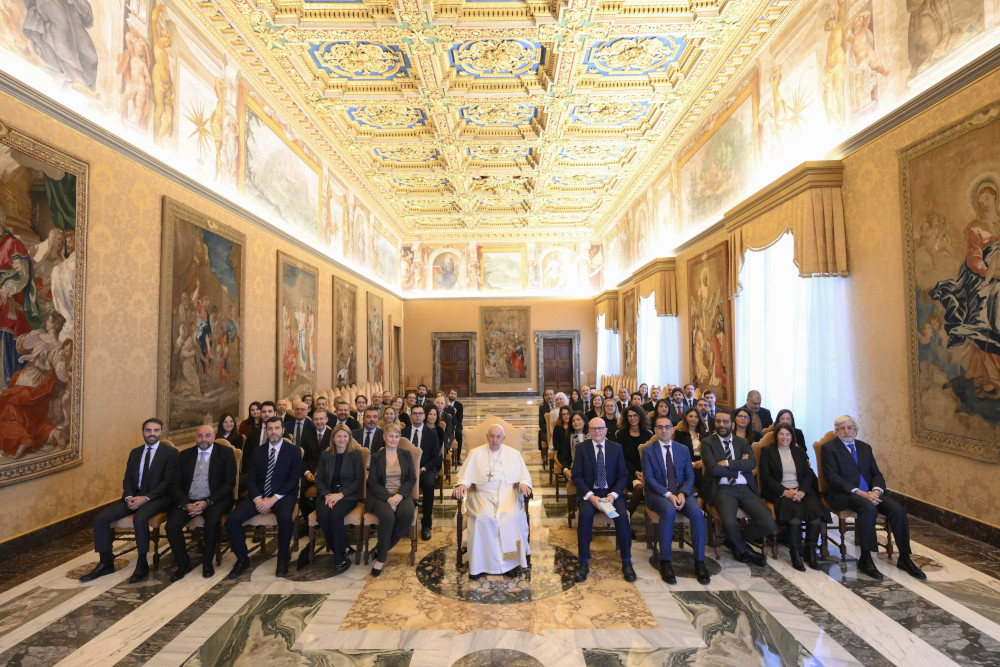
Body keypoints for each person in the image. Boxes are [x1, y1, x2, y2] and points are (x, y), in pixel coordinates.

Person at [821, 415, 926, 580]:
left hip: (871, 493)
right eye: (842, 428)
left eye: (850, 427)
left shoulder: (865, 447)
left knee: (898, 510)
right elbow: (832, 477)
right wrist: (861, 493)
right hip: (845, 494)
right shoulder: (829, 448)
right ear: (837, 431)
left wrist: (876, 491)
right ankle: (866, 558)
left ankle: (905, 558)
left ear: (856, 429)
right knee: (868, 508)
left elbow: (876, 473)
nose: (847, 431)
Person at [80, 419, 179, 583]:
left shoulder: (170, 453)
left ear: (161, 432)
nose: (152, 434)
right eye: (148, 430)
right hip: (134, 496)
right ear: (143, 432)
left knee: (140, 519)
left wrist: (146, 498)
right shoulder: (135, 452)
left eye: (156, 430)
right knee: (100, 519)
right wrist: (129, 497)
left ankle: (142, 564)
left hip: (158, 498)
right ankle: (105, 563)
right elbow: (128, 479)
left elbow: (168, 482)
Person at [226, 416, 303, 579]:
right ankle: (242, 559)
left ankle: (282, 559)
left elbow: (293, 480)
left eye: (276, 428)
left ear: (283, 430)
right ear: (266, 430)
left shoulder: (294, 451)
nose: (273, 432)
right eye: (270, 428)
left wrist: (273, 499)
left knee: (284, 519)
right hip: (258, 496)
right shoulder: (258, 451)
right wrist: (258, 499)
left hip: (282, 496)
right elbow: (251, 479)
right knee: (232, 520)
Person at [454, 425, 533, 578]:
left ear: (503, 438)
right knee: (483, 518)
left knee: (510, 516)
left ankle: (510, 563)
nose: (494, 440)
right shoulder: (475, 454)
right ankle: (480, 565)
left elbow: (524, 476)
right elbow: (466, 476)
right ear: (487, 436)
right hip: (481, 494)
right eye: (492, 436)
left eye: (498, 437)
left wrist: (523, 483)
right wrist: (463, 484)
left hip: (507, 493)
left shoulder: (514, 454)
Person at [643, 417, 711, 585]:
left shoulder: (682, 449)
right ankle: (665, 562)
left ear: (673, 429)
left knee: (697, 514)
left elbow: (689, 476)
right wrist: (669, 495)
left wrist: (683, 493)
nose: (664, 430)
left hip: (682, 493)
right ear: (655, 429)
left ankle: (699, 562)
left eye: (667, 427)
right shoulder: (648, 451)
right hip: (658, 494)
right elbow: (650, 480)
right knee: (668, 510)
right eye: (660, 427)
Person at [701, 411, 775, 566]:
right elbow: (713, 470)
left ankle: (732, 540)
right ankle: (746, 551)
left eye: (725, 422)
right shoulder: (708, 442)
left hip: (745, 487)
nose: (722, 425)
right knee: (729, 523)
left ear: (732, 424)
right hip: (722, 489)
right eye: (719, 422)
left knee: (768, 523)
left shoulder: (742, 443)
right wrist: (739, 465)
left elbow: (751, 464)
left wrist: (727, 463)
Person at [165, 424, 236, 581]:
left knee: (212, 523)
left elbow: (229, 483)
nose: (204, 439)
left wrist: (207, 502)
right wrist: (186, 503)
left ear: (214, 436)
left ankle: (207, 563)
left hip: (215, 499)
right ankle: (183, 563)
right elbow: (175, 484)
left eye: (207, 436)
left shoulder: (225, 453)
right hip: (189, 500)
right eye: (200, 436)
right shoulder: (184, 455)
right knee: (171, 526)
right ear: (195, 438)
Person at [571, 417, 635, 583]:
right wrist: (590, 496)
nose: (597, 432)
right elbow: (576, 476)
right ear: (589, 431)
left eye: (600, 428)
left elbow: (622, 475)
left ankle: (627, 561)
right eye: (593, 429)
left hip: (610, 495)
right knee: (584, 517)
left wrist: (613, 495)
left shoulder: (616, 448)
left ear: (606, 430)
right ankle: (583, 561)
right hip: (589, 495)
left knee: (620, 517)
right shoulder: (582, 448)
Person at [759, 423, 828, 571]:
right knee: (794, 512)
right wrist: (786, 492)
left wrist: (802, 491)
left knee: (815, 511)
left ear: (792, 436)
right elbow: (766, 478)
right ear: (776, 435)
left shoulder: (799, 451)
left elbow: (807, 475)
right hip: (780, 491)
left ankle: (810, 551)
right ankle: (795, 553)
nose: (785, 437)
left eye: (788, 434)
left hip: (800, 490)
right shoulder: (767, 451)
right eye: (781, 434)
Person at [366, 424, 417, 576]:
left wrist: (399, 496)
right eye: (390, 436)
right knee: (387, 516)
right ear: (384, 437)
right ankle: (381, 559)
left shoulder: (406, 454)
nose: (394, 439)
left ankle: (383, 547)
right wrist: (389, 498)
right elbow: (373, 483)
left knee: (407, 513)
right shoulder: (376, 457)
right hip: (380, 496)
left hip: (401, 494)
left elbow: (411, 479)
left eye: (396, 436)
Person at [315, 424, 364, 576]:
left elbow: (358, 480)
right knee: (322, 516)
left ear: (349, 438)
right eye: (339, 436)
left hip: (347, 496)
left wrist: (340, 495)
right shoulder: (326, 455)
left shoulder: (355, 454)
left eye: (345, 436)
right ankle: (344, 547)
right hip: (328, 494)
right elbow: (319, 479)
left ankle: (339, 558)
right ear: (333, 438)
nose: (342, 439)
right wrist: (327, 495)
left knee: (336, 516)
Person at [401, 404, 440, 541]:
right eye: (415, 413)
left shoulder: (431, 433)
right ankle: (403, 519)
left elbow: (436, 457)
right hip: (406, 470)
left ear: (424, 416)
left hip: (425, 469)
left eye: (420, 413)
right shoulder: (404, 433)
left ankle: (426, 524)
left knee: (429, 484)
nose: (417, 416)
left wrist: (422, 469)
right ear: (411, 416)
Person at [616, 405, 651, 515]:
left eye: (635, 415)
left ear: (640, 417)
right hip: (627, 471)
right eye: (629, 416)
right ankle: (627, 515)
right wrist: (635, 472)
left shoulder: (648, 434)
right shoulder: (621, 434)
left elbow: (650, 458)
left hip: (646, 471)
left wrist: (644, 473)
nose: (632, 418)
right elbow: (621, 458)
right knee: (639, 488)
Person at [287, 401, 319, 516]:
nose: (299, 411)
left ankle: (310, 516)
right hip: (290, 464)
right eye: (297, 409)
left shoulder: (313, 428)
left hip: (307, 466)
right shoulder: (287, 425)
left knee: (299, 487)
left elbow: (315, 455)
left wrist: (308, 471)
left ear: (307, 411)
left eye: (302, 409)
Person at [673, 407, 707, 493]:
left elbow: (710, 451)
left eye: (696, 417)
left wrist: (703, 461)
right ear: (686, 417)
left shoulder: (705, 434)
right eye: (691, 416)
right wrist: (692, 464)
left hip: (703, 462)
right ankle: (702, 500)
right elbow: (677, 454)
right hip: (688, 463)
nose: (693, 419)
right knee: (700, 476)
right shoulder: (679, 434)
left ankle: (701, 499)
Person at [448, 388, 465, 464]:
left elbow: (460, 418)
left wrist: (454, 426)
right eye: (451, 393)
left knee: (459, 434)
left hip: (457, 425)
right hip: (447, 424)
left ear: (456, 396)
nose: (453, 395)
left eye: (455, 394)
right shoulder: (445, 404)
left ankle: (458, 456)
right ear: (448, 394)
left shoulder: (459, 405)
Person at [538, 388, 554, 452]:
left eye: (551, 394)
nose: (549, 396)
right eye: (547, 395)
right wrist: (550, 430)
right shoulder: (542, 408)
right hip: (547, 431)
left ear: (554, 395)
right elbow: (541, 424)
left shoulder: (560, 406)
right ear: (545, 397)